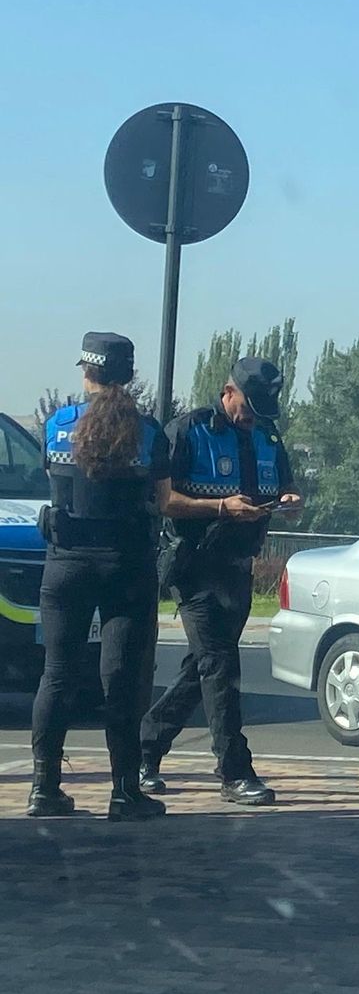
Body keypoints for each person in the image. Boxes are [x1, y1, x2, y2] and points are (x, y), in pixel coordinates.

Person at [138, 358, 302, 806]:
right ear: (227, 392)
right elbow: (165, 500)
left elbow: (282, 484)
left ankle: (144, 749)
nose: (251, 418)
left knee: (203, 668)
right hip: (194, 565)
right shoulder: (188, 431)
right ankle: (234, 770)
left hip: (239, 567)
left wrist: (286, 499)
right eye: (247, 407)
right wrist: (221, 509)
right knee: (221, 668)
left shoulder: (266, 435)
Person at [29, 332, 171, 820]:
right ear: (127, 376)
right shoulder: (149, 433)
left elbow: (57, 475)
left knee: (57, 675)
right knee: (122, 680)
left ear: (86, 372)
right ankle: (125, 793)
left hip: (65, 566)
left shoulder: (56, 425)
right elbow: (162, 498)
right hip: (125, 569)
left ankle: (44, 788)